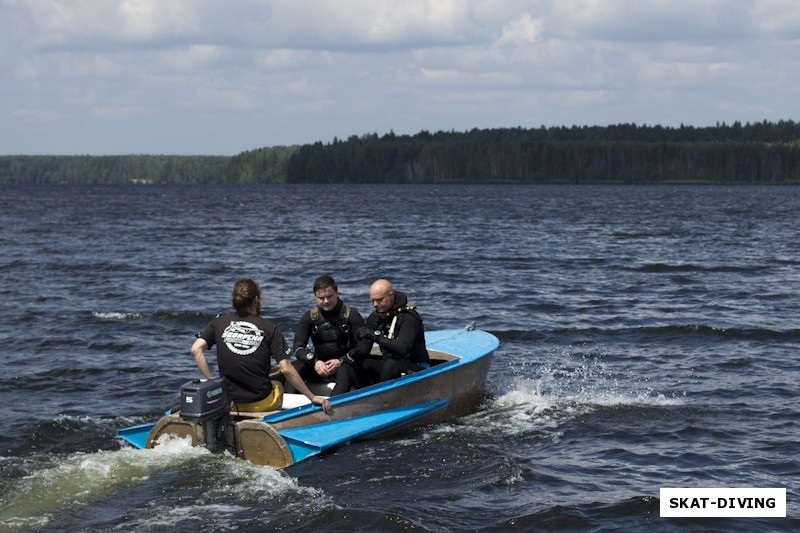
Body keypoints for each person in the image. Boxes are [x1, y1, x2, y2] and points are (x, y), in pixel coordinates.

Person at [190, 278, 331, 414]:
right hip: (259, 401)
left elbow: (196, 350)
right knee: (278, 386)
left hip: (229, 401)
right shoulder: (269, 327)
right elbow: (286, 369)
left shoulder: (218, 323)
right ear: (256, 299)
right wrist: (312, 397)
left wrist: (213, 381)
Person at [288, 274, 372, 396]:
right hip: (319, 367)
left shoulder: (351, 315)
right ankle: (285, 409)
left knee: (348, 369)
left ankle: (332, 407)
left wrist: (341, 361)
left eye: (329, 297)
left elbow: (364, 347)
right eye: (321, 298)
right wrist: (315, 362)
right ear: (315, 297)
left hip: (345, 365)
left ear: (337, 293)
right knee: (292, 368)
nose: (326, 301)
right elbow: (297, 348)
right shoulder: (309, 317)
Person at [356, 279, 430, 382]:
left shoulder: (409, 316)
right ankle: (337, 397)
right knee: (355, 363)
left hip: (416, 367)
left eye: (379, 300)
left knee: (389, 365)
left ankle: (382, 396)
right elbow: (363, 348)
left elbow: (403, 348)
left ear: (391, 295)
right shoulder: (375, 317)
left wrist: (376, 337)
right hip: (390, 365)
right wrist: (343, 358)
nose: (375, 304)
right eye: (372, 300)